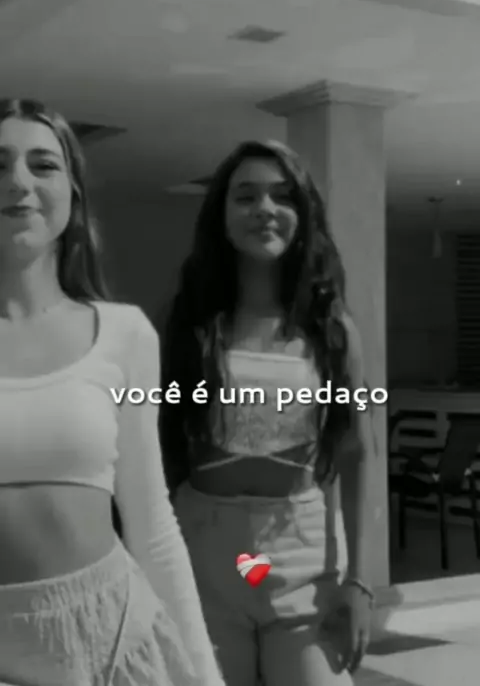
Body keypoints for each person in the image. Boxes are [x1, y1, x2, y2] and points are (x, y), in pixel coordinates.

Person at [0, 98, 225, 686]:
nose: (18, 181)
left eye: (43, 165)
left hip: (114, 637)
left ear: (73, 194)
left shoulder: (125, 334)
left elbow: (151, 520)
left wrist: (203, 673)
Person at [160, 139, 376, 686]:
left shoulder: (333, 329)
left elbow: (358, 451)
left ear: (303, 214)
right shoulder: (187, 324)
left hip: (304, 556)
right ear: (222, 214)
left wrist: (360, 581)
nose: (264, 209)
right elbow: (155, 448)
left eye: (283, 196)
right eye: (246, 196)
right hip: (202, 552)